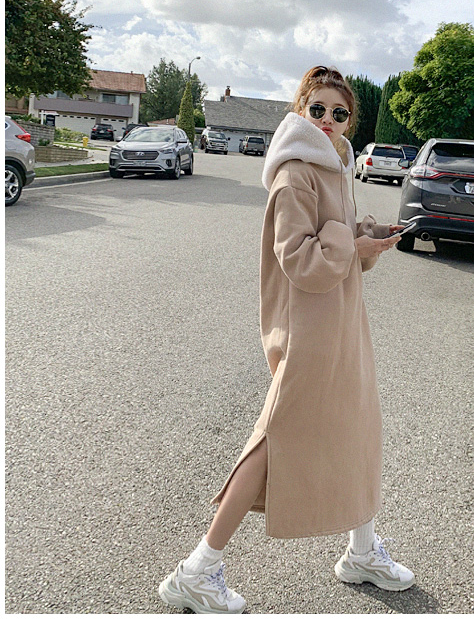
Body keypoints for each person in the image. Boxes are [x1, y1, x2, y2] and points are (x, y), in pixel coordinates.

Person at [159, 65, 414, 609]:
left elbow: (333, 241)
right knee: (274, 438)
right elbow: (299, 258)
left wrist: (367, 235)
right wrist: (352, 245)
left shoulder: (335, 166)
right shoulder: (295, 171)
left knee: (357, 428)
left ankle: (362, 551)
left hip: (341, 322)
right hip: (309, 329)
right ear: (300, 110)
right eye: (316, 109)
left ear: (350, 121)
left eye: (339, 113)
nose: (327, 120)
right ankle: (198, 569)